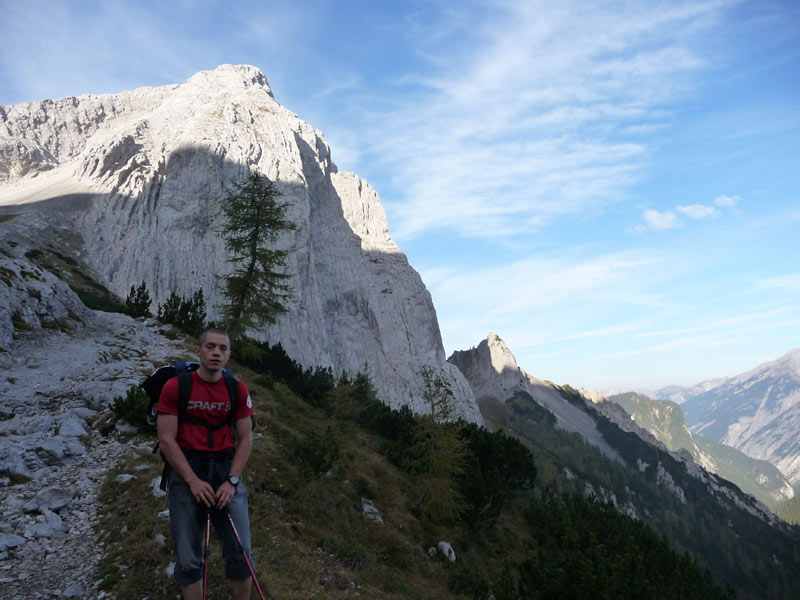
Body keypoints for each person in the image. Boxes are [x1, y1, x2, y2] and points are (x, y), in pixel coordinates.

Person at [157, 327, 255, 600]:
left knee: (241, 553)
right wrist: (192, 481)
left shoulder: (236, 389)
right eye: (210, 347)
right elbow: (166, 439)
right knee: (188, 558)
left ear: (228, 355)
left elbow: (246, 438)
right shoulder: (176, 387)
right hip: (187, 471)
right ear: (198, 351)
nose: (216, 353)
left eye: (222, 348)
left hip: (225, 470)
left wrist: (232, 481)